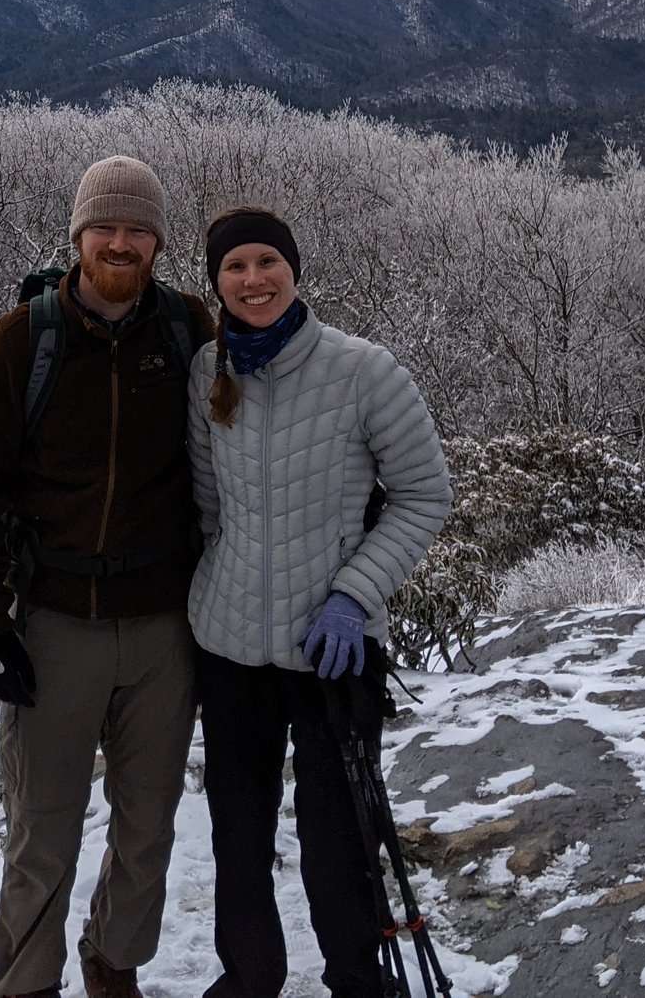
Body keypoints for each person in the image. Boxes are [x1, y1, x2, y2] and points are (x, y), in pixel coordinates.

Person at [0, 155, 216, 998]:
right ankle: (26, 982)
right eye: (107, 227)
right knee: (42, 828)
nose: (122, 242)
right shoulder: (26, 338)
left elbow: (255, 439)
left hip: (166, 622)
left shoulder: (186, 330)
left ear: (159, 242)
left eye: (139, 229)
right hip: (57, 619)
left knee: (148, 826)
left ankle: (114, 959)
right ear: (78, 236)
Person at [186, 207, 455, 998]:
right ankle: (250, 979)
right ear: (217, 283)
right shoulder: (209, 371)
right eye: (235, 267)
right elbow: (210, 507)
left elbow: (423, 495)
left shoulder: (363, 370)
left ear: (294, 270)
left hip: (331, 649)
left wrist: (353, 596)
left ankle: (356, 980)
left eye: (268, 260)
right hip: (230, 646)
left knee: (338, 837)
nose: (253, 279)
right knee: (239, 832)